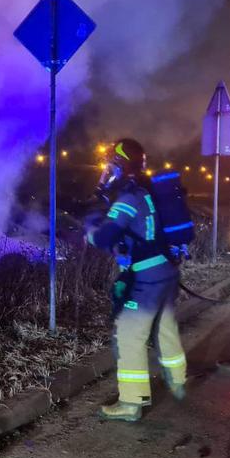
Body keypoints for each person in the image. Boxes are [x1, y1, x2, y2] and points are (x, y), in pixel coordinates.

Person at [84, 138, 186, 422]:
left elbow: (105, 237)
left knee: (129, 336)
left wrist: (90, 227)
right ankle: (177, 382)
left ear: (120, 165)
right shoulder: (147, 192)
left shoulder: (129, 199)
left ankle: (131, 403)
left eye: (112, 165)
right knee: (165, 328)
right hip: (166, 271)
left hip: (147, 276)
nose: (108, 170)